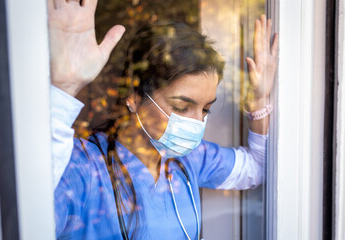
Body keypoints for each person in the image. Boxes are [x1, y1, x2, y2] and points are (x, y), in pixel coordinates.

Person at [48, 0, 279, 239]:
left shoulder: (187, 159)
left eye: (206, 110)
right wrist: (64, 88)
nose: (196, 122)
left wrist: (259, 99)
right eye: (181, 106)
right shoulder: (83, 166)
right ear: (135, 96)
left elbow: (257, 167)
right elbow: (31, 207)